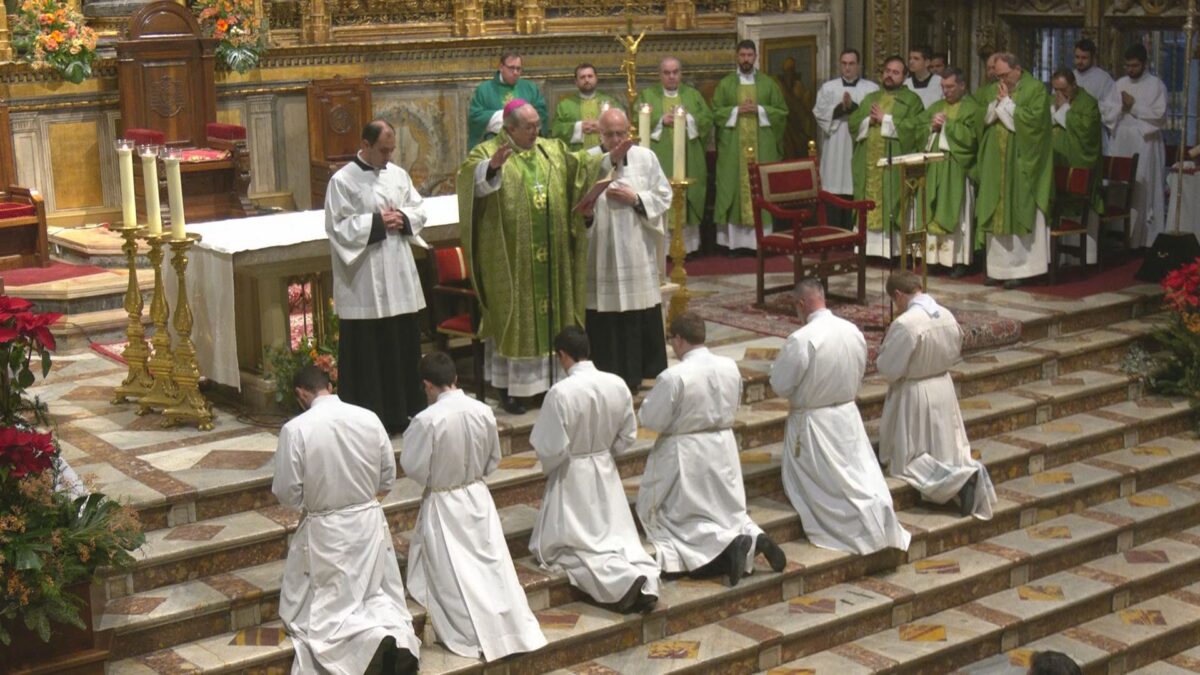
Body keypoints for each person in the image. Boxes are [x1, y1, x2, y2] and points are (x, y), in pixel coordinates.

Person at [457, 100, 626, 412]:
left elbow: (578, 167)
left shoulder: (550, 149)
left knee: (553, 314)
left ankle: (551, 382)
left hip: (553, 254)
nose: (537, 131)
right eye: (529, 127)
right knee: (514, 317)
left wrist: (605, 157)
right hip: (511, 258)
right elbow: (469, 183)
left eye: (537, 125)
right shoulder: (486, 153)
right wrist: (492, 168)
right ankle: (512, 388)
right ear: (509, 129)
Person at [273, 365, 420, 675]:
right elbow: (388, 477)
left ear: (301, 393)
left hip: (326, 529)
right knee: (373, 595)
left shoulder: (296, 429)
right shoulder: (368, 417)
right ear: (330, 384)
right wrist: (362, 502)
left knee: (329, 610)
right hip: (368, 522)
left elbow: (287, 490)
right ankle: (390, 635)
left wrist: (316, 505)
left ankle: (364, 647)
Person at [401, 352, 547, 661]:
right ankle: (507, 626)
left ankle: (473, 631)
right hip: (478, 498)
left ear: (427, 385)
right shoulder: (482, 410)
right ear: (454, 378)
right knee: (491, 566)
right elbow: (493, 458)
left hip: (444, 502)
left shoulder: (428, 420)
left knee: (455, 576)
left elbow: (414, 466)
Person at [637, 311, 787, 586]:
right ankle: (754, 537)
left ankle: (730, 548)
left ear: (679, 339)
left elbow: (651, 419)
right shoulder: (730, 366)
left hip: (687, 451)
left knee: (683, 519)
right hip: (722, 446)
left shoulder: (674, 376)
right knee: (724, 510)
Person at [769, 279, 911, 555]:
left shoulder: (802, 339)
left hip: (814, 425)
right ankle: (877, 516)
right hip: (847, 417)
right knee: (858, 475)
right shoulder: (852, 330)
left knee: (830, 490)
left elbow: (781, 384)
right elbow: (861, 369)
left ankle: (862, 527)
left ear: (801, 304)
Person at [529, 327, 661, 613]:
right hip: (604, 469)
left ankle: (623, 583)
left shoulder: (560, 392)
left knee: (578, 549)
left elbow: (550, 446)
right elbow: (627, 435)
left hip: (573, 474)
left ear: (562, 355)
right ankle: (642, 578)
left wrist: (558, 465)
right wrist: (603, 455)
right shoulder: (616, 383)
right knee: (617, 541)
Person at [325, 119, 426, 434]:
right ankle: (369, 417)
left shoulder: (398, 175)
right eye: (383, 150)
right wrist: (378, 224)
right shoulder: (342, 180)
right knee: (369, 349)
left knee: (401, 342)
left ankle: (403, 411)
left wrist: (403, 217)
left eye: (392, 149)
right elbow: (336, 226)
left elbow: (419, 209)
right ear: (365, 145)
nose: (389, 156)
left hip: (397, 272)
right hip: (365, 280)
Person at [876, 271, 996, 519]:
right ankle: (962, 475)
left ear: (898, 295)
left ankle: (960, 482)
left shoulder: (906, 323)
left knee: (908, 460)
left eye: (894, 301)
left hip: (915, 393)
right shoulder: (947, 315)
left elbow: (888, 368)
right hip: (943, 387)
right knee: (944, 449)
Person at [581, 108, 672, 392]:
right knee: (605, 310)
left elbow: (663, 194)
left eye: (621, 133)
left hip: (636, 246)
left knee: (639, 307)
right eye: (610, 134)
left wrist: (636, 198)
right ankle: (609, 373)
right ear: (600, 134)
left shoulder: (647, 158)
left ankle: (645, 370)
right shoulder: (590, 161)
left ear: (629, 131)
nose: (616, 139)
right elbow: (580, 201)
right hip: (603, 250)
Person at [977, 52, 1054, 289]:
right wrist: (998, 104)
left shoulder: (1035, 89)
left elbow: (1035, 125)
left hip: (1022, 162)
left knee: (1019, 206)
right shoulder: (996, 88)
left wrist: (1007, 104)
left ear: (1018, 69)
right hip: (997, 162)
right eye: (998, 75)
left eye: (1005, 75)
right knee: (996, 207)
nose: (1002, 80)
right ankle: (998, 269)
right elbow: (984, 117)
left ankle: (1022, 269)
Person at [712, 39, 789, 254]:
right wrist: (736, 110)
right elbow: (715, 113)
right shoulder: (726, 84)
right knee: (732, 188)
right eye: (742, 55)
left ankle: (761, 242)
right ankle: (734, 244)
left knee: (761, 188)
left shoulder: (768, 84)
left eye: (749, 55)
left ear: (756, 57)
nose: (746, 59)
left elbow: (782, 112)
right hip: (733, 151)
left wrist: (761, 110)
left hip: (762, 147)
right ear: (737, 57)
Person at [848, 55, 926, 257]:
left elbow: (917, 129)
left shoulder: (912, 101)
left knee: (893, 200)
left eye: (896, 72)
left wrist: (886, 119)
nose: (890, 76)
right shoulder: (870, 98)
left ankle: (892, 251)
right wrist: (868, 121)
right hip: (868, 163)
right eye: (888, 71)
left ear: (905, 76)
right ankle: (867, 248)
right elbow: (853, 124)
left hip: (893, 166)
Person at [639, 57, 713, 253]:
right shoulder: (648, 95)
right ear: (660, 75)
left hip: (689, 156)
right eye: (667, 73)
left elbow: (706, 120)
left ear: (681, 74)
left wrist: (685, 118)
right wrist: (660, 119)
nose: (671, 77)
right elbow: (636, 120)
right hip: (659, 157)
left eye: (675, 72)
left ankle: (687, 247)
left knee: (687, 196)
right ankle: (662, 249)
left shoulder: (693, 95)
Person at [920, 67, 981, 276]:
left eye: (950, 87)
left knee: (959, 214)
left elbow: (972, 138)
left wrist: (948, 126)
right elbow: (919, 131)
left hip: (958, 169)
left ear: (962, 85)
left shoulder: (972, 108)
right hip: (935, 168)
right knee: (934, 208)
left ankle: (958, 261)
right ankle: (934, 259)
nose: (946, 91)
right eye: (943, 87)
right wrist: (931, 127)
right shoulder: (936, 106)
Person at [812, 49, 878, 228]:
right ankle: (833, 230)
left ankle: (853, 229)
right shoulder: (829, 88)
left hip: (859, 141)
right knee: (833, 184)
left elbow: (874, 113)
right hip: (835, 142)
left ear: (859, 65)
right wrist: (840, 108)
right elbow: (819, 112)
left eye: (851, 64)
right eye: (844, 63)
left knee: (853, 182)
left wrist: (854, 108)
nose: (847, 68)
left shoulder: (871, 89)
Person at [1110, 43, 1167, 249]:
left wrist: (1133, 105)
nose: (1130, 70)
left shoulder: (1156, 85)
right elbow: (1108, 110)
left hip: (1145, 143)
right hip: (1121, 140)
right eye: (1127, 66)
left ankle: (1145, 239)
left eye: (1134, 66)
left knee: (1143, 190)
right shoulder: (1119, 83)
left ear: (1144, 64)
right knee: (1120, 187)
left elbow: (1159, 116)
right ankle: (1119, 236)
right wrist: (1120, 108)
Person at [1051, 68, 1105, 265]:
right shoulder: (1053, 100)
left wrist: (1064, 110)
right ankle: (1057, 257)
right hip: (1057, 162)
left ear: (1074, 85)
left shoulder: (1088, 103)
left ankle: (1084, 258)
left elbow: (1087, 134)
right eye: (1055, 89)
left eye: (1063, 89)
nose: (1059, 94)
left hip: (1079, 162)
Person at [467, 50, 548, 149]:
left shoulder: (530, 88)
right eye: (511, 68)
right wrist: (499, 117)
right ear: (501, 67)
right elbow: (475, 117)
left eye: (518, 69)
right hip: (495, 145)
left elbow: (542, 113)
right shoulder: (484, 89)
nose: (515, 72)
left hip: (525, 146)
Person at [551, 63, 622, 152]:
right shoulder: (565, 105)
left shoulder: (611, 102)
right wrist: (579, 127)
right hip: (577, 157)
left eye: (590, 76)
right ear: (576, 82)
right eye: (582, 77)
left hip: (606, 154)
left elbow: (623, 126)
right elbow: (555, 130)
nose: (587, 80)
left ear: (596, 79)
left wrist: (604, 127)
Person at [1072, 38, 1119, 151]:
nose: (1080, 61)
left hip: (1094, 130)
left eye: (1084, 58)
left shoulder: (1103, 79)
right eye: (1077, 57)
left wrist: (1089, 109)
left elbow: (1113, 107)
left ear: (1093, 58)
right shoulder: (1069, 77)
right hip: (1072, 130)